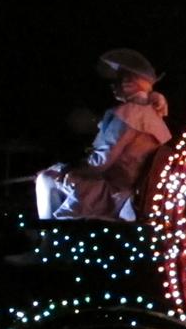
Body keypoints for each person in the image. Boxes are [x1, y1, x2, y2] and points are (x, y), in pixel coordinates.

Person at [35, 49, 171, 221]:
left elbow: (100, 162)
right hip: (127, 192)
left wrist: (66, 170)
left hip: (111, 194)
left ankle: (49, 232)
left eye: (117, 79)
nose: (112, 86)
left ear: (129, 82)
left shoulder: (129, 114)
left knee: (45, 178)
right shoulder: (154, 117)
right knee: (55, 175)